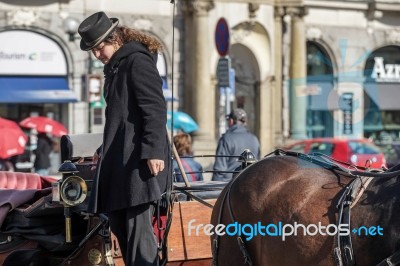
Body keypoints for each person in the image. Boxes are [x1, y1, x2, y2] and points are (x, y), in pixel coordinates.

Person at [78, 12, 170, 266]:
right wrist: (102, 148)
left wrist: (153, 151)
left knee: (137, 232)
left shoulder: (137, 62)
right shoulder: (116, 68)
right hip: (121, 161)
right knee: (120, 225)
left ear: (115, 38)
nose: (97, 55)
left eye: (99, 48)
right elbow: (122, 120)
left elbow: (154, 108)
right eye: (93, 51)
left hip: (139, 163)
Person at [212, 108, 260, 182]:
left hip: (229, 187)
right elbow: (257, 165)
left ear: (231, 121)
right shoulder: (255, 139)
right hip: (250, 184)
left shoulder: (226, 139)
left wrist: (213, 189)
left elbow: (219, 170)